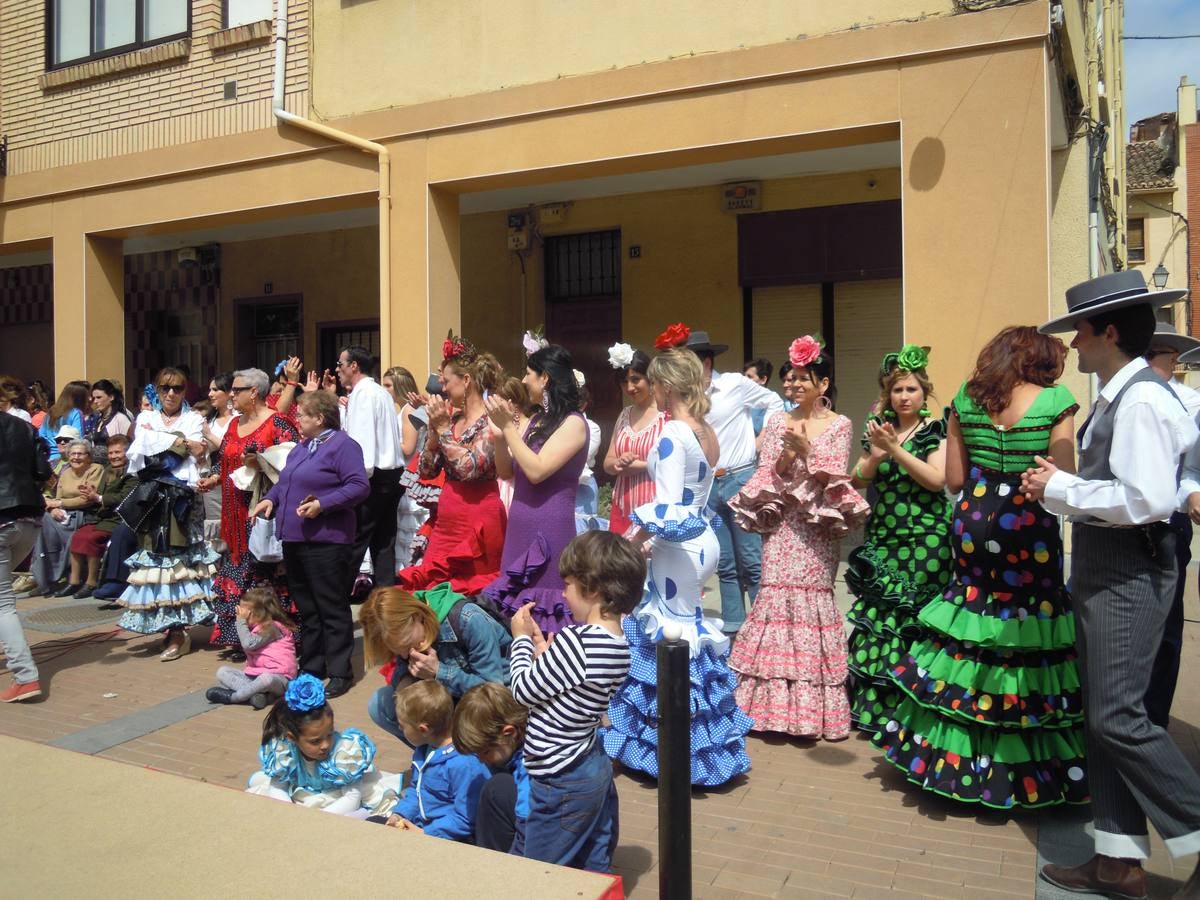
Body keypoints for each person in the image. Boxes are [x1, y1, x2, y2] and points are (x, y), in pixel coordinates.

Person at [1023, 271, 1200, 896]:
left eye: (1080, 331)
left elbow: (1148, 499)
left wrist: (1061, 488)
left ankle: (1193, 828)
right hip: (1108, 569)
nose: (1072, 344)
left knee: (1120, 717)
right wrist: (1061, 489)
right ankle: (1117, 861)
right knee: (1103, 718)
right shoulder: (1120, 395)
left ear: (1110, 332)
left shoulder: (1144, 399)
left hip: (1129, 569)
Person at [875, 326, 1084, 808]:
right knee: (1030, 628)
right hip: (1028, 524)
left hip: (974, 521)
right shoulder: (1058, 402)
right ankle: (1028, 759)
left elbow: (953, 478)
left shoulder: (965, 401)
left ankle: (953, 758)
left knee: (970, 624)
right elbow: (1065, 478)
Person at [602, 347, 752, 785]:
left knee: (671, 640)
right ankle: (702, 747)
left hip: (677, 547)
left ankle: (678, 753)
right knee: (689, 634)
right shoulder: (703, 429)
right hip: (701, 541)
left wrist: (631, 543)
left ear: (665, 386)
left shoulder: (671, 434)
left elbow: (666, 507)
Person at [728, 336, 868, 740]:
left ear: (823, 385)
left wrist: (808, 450)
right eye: (790, 379)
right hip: (784, 524)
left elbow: (835, 476)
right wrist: (788, 456)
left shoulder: (839, 424)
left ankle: (810, 714)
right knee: (773, 595)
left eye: (803, 379)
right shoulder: (775, 422)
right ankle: (767, 711)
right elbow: (768, 475)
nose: (793, 385)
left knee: (813, 602)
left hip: (817, 528)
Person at [507, 530, 636, 872]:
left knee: (540, 871)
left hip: (560, 775)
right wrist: (547, 657)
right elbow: (571, 686)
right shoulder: (619, 643)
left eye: (569, 585)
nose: (564, 594)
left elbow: (522, 690)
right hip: (589, 762)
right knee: (591, 865)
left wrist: (519, 640)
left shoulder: (577, 640)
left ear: (593, 589)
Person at [845, 346, 952, 734]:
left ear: (924, 393)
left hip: (926, 539)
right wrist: (876, 455)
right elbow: (858, 479)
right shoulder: (879, 427)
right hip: (885, 534)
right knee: (881, 620)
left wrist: (895, 451)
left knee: (913, 619)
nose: (903, 397)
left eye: (910, 389)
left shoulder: (936, 429)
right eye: (896, 390)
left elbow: (937, 480)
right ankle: (878, 710)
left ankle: (913, 710)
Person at [250, 390, 369, 699]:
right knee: (307, 607)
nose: (298, 419)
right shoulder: (301, 448)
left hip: (326, 540)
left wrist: (323, 504)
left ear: (320, 418)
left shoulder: (344, 446)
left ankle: (341, 670)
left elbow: (358, 486)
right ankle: (314, 665)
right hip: (295, 539)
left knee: (331, 606)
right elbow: (285, 483)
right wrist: (269, 500)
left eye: (302, 414)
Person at [675, 324, 783, 634]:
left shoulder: (734, 384)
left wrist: (762, 439)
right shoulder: (688, 396)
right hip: (708, 484)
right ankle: (735, 628)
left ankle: (766, 629)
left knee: (751, 559)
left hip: (740, 479)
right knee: (724, 562)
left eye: (690, 362)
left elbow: (774, 402)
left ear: (706, 362)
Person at [482, 344, 589, 635]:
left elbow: (537, 470)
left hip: (549, 532)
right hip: (519, 530)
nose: (524, 380)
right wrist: (500, 437)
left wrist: (510, 429)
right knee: (515, 612)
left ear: (546, 378)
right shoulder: (538, 421)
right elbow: (507, 472)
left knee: (546, 616)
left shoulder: (574, 424)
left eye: (529, 373)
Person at [116, 367, 214, 660]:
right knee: (156, 562)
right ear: (156, 391)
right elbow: (142, 450)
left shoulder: (194, 418)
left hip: (183, 499)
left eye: (178, 388)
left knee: (180, 561)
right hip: (153, 498)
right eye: (164, 388)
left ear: (186, 391)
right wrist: (177, 442)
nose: (171, 394)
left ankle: (179, 631)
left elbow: (197, 452)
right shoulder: (145, 417)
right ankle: (168, 625)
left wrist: (165, 441)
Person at [200, 368, 299, 657]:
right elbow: (225, 459)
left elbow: (291, 464)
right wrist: (215, 478)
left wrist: (262, 463)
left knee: (265, 576)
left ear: (253, 392)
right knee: (237, 571)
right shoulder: (233, 425)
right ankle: (244, 638)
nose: (231, 394)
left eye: (236, 390)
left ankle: (272, 638)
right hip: (233, 514)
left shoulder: (278, 423)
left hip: (262, 513)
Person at [397, 336, 506, 593]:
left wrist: (444, 429)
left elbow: (471, 468)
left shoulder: (492, 418)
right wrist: (435, 433)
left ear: (466, 381)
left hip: (478, 521)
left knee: (470, 594)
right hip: (446, 521)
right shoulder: (452, 418)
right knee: (431, 591)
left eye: (446, 381)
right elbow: (426, 470)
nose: (443, 389)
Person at [360, 585, 511, 744]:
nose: (405, 655)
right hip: (452, 701)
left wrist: (439, 672)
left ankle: (459, 756)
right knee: (380, 705)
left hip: (493, 704)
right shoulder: (408, 634)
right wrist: (403, 682)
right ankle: (435, 757)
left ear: (416, 615)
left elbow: (493, 693)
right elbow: (402, 668)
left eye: (406, 646)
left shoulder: (468, 619)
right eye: (397, 651)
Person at [1142, 322, 1200, 731]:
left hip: (1170, 526)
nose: (1146, 364)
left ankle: (1155, 720)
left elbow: (1188, 470)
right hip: (1127, 527)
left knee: (1166, 630)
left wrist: (1187, 496)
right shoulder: (1118, 396)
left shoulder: (1189, 402)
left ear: (1174, 360)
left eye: (1155, 356)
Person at [246, 673, 398, 817]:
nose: (325, 745)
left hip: (336, 800)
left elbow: (353, 797)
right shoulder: (285, 754)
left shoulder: (344, 754)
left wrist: (319, 818)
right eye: (315, 741)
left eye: (330, 734)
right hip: (302, 796)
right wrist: (291, 814)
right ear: (292, 738)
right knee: (263, 796)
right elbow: (278, 788)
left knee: (370, 808)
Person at [385, 680, 492, 840]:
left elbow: (465, 818)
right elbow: (416, 790)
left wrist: (426, 833)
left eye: (402, 725)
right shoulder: (423, 751)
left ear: (423, 729)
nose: (400, 729)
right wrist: (400, 814)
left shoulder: (463, 764)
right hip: (421, 826)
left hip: (448, 838)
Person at [335, 345, 404, 592]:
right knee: (383, 542)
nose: (337, 370)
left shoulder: (364, 394)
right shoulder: (379, 392)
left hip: (371, 478)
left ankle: (336, 601)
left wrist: (355, 482)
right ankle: (386, 603)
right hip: (390, 475)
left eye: (341, 364)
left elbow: (361, 445)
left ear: (354, 366)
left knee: (354, 542)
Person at [0, 406, 52, 702]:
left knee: (3, 604)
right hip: (29, 519)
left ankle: (25, 676)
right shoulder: (22, 426)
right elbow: (43, 470)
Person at [451, 682, 532, 855]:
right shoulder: (512, 746)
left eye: (485, 752)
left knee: (496, 788)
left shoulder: (530, 765)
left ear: (509, 733)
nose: (481, 759)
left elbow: (529, 833)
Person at [603, 343, 663, 536]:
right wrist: (618, 463)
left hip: (655, 507)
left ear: (650, 378)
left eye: (636, 380)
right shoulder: (624, 415)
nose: (630, 387)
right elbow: (607, 463)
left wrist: (641, 465)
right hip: (623, 505)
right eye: (623, 382)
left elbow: (674, 463)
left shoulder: (666, 415)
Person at [206, 585, 298, 708]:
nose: (241, 616)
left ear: (259, 614)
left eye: (245, 614)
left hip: (280, 678)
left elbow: (248, 644)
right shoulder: (257, 628)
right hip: (255, 676)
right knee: (222, 672)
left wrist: (241, 621)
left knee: (266, 679)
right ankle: (259, 696)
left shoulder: (272, 627)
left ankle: (234, 697)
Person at [67, 434, 136, 600]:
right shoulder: (107, 471)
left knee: (91, 538)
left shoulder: (133, 472)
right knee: (78, 535)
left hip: (121, 518)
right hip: (103, 516)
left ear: (127, 453)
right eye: (111, 453)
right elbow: (100, 494)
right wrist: (92, 494)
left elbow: (124, 498)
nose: (113, 456)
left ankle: (91, 582)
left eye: (118, 452)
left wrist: (97, 497)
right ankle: (74, 581)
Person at [33, 438, 103, 596]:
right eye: (72, 454)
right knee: (42, 522)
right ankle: (44, 580)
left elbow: (85, 500)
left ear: (88, 456)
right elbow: (56, 499)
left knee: (59, 528)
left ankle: (61, 576)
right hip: (64, 513)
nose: (76, 457)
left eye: (80, 454)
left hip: (85, 514)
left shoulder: (95, 469)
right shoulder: (65, 473)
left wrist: (59, 504)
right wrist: (52, 510)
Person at [38, 383, 88, 462]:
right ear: (79, 398)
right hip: (68, 459)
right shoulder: (76, 413)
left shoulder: (50, 412)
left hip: (49, 458)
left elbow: (41, 436)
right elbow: (78, 438)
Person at [85, 380, 133, 461]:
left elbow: (127, 445)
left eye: (99, 397)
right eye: (94, 398)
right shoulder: (97, 419)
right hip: (97, 467)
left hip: (114, 466)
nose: (95, 401)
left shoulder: (120, 419)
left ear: (111, 397)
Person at [743, 357, 775, 438]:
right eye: (744, 376)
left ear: (763, 379)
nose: (744, 380)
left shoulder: (772, 405)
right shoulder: (740, 399)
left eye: (749, 377)